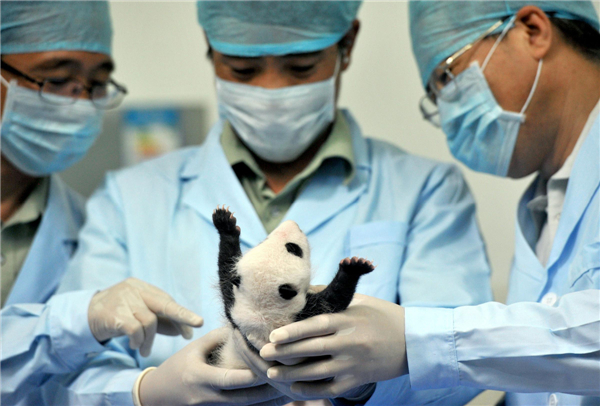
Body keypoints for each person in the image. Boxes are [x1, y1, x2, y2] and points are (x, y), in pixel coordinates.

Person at [43, 1, 492, 405]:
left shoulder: (427, 190)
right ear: (210, 48)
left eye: (300, 66)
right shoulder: (128, 199)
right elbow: (67, 374)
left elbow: (457, 364)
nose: (272, 90)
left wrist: (363, 385)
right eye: (242, 69)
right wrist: (147, 394)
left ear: (347, 44)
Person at [252, 1, 600, 405]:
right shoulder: (544, 204)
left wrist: (416, 340)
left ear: (532, 30)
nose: (448, 115)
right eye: (434, 95)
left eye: (448, 77)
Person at [0, 3, 203, 405]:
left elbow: (62, 388)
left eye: (95, 85)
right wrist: (72, 320)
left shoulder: (89, 229)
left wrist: (145, 390)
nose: (79, 101)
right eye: (57, 79)